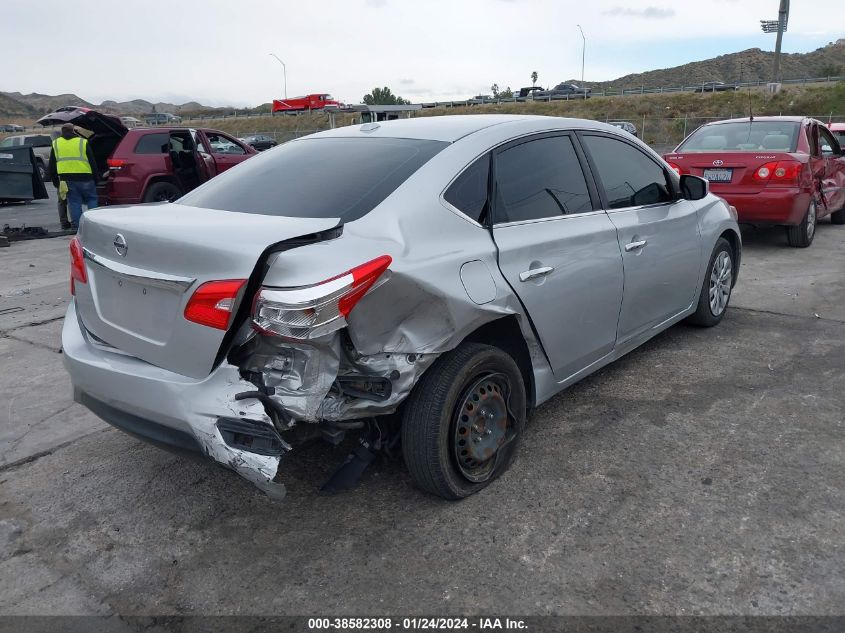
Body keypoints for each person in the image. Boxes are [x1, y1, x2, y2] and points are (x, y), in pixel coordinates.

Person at [49, 123, 98, 228]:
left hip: (67, 179)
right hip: (86, 177)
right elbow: (92, 161)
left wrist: (55, 181)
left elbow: (52, 165)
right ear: (73, 131)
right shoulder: (82, 142)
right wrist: (96, 177)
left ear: (62, 132)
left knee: (74, 202)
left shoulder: (56, 143)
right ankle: (93, 224)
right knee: (92, 199)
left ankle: (78, 226)